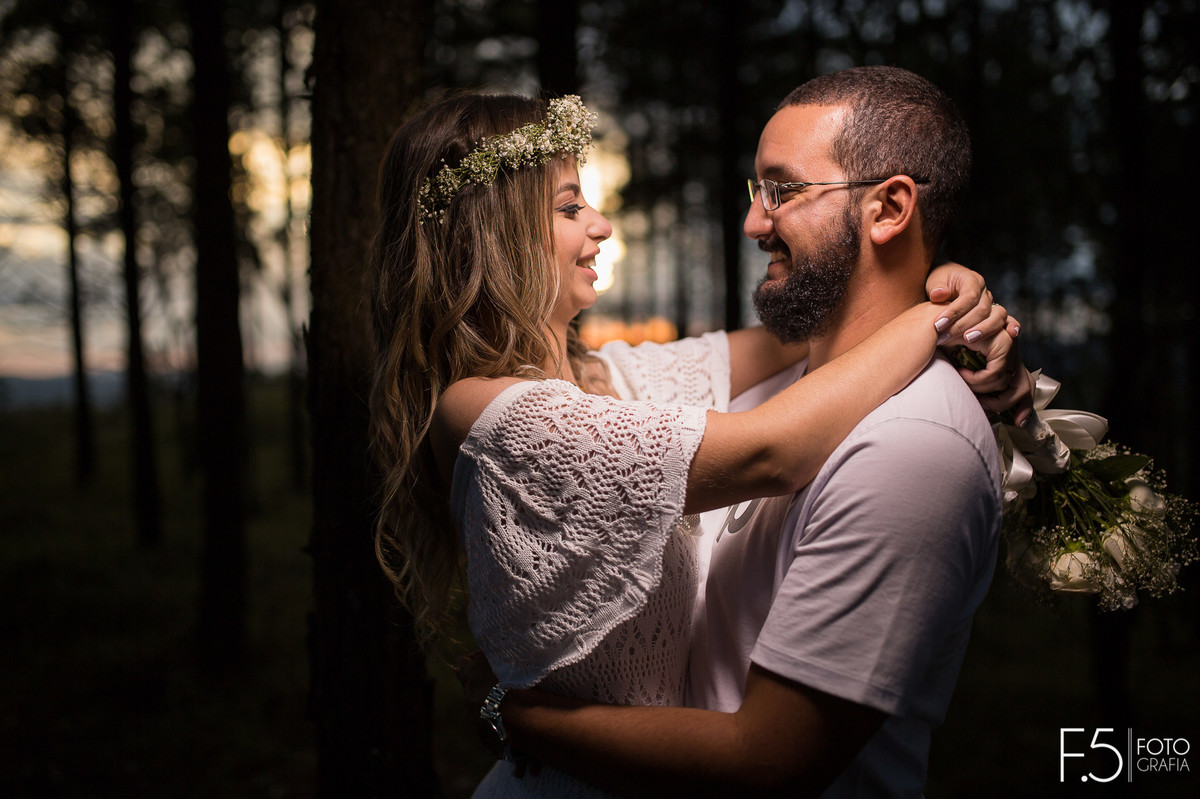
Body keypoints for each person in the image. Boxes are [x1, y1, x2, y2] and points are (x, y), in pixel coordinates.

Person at [369, 91, 1021, 797]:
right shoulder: (491, 413)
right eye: (567, 208)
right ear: (491, 233)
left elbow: (820, 321)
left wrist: (945, 294)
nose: (601, 224)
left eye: (782, 190)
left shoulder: (623, 377)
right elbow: (773, 448)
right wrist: (933, 317)